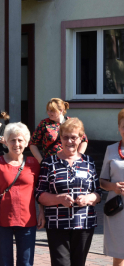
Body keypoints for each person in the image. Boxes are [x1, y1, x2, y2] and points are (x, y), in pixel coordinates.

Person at [36, 118, 101, 266]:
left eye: (74, 137)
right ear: (60, 138)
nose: (69, 141)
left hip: (84, 223)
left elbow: (98, 192)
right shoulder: (49, 162)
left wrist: (89, 198)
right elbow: (39, 194)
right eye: (65, 137)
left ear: (80, 138)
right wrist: (59, 198)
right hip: (57, 224)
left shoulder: (88, 162)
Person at [0, 122, 44, 266]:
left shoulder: (33, 163)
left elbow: (39, 191)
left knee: (26, 263)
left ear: (26, 143)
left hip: (28, 220)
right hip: (2, 221)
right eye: (12, 140)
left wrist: (42, 212)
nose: (16, 144)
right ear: (6, 142)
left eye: (20, 140)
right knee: (4, 262)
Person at [29, 98, 88, 163]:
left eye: (52, 111)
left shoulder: (71, 122)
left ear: (61, 110)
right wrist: (41, 161)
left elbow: (84, 140)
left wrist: (78, 157)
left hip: (70, 161)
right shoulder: (44, 124)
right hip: (50, 162)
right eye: (48, 110)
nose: (48, 113)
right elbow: (32, 144)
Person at [100, 109, 124, 266]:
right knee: (119, 255)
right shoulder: (111, 149)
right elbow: (101, 181)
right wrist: (113, 187)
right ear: (119, 128)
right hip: (118, 209)